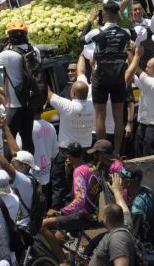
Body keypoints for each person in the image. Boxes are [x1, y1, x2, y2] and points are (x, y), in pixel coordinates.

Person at [81, 2, 132, 155]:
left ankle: (101, 153)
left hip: (101, 77)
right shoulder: (127, 33)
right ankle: (116, 152)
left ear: (103, 15)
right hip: (118, 77)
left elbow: (81, 39)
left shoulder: (96, 32)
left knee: (100, 116)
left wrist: (90, 20)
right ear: (118, 15)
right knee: (118, 117)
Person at [40, 142, 102, 266]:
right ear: (82, 153)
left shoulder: (79, 171)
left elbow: (79, 200)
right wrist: (68, 173)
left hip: (83, 215)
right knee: (56, 237)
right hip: (92, 212)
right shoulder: (91, 167)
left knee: (44, 225)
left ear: (68, 156)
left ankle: (64, 262)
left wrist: (59, 212)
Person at [0, 21, 40, 153]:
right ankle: (28, 167)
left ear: (9, 37)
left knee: (8, 139)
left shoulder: (8, 55)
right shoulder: (36, 52)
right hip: (29, 103)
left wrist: (1, 45)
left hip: (14, 106)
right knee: (27, 138)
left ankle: (10, 168)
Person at [47, 80, 93, 210]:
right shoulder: (93, 106)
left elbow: (48, 93)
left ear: (72, 93)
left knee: (59, 185)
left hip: (66, 153)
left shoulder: (66, 105)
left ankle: (57, 215)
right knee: (84, 183)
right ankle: (84, 210)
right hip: (85, 152)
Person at [88, 173, 137, 266]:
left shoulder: (118, 239)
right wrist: (116, 191)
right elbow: (124, 208)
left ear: (107, 220)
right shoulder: (126, 224)